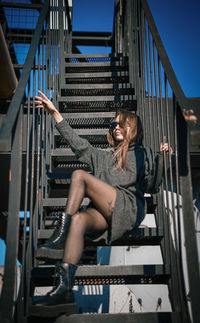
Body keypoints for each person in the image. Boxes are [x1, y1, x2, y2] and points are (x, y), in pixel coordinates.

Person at [34, 90, 170, 307]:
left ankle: (60, 236)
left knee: (79, 176)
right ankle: (64, 290)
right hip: (104, 213)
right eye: (113, 124)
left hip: (127, 207)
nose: (115, 126)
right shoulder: (102, 156)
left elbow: (153, 186)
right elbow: (79, 145)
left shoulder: (142, 154)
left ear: (131, 128)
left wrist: (162, 159)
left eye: (121, 124)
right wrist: (55, 114)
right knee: (78, 220)